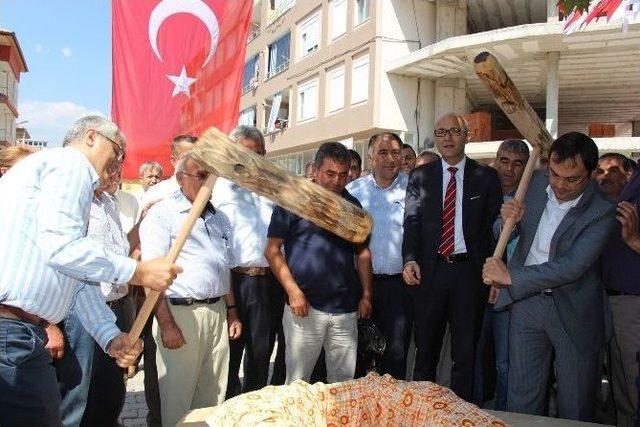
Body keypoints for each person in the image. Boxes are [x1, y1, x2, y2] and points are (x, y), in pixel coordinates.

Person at [0, 115, 180, 426]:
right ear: (91, 137)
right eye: (118, 150)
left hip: (22, 334)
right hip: (12, 332)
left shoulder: (62, 175)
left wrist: (111, 338)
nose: (118, 161)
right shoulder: (71, 165)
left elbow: (78, 280)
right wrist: (138, 272)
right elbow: (64, 247)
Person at [483, 132, 616, 421]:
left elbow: (571, 267)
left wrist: (511, 277)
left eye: (572, 179)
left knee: (576, 402)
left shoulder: (603, 210)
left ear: (591, 174)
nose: (559, 185)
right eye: (555, 174)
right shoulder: (533, 181)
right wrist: (509, 222)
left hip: (574, 309)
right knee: (522, 396)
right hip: (527, 306)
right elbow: (501, 231)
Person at [403, 112, 502, 401]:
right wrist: (410, 259)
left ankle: (461, 415)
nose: (447, 138)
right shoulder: (420, 176)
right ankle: (423, 411)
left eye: (454, 131)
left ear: (467, 135)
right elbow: (412, 222)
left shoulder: (486, 177)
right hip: (430, 274)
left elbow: (494, 231)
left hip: (469, 276)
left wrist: (495, 276)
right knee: (426, 352)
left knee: (465, 354)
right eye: (441, 132)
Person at [140, 154, 241, 427]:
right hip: (180, 314)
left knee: (213, 393)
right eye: (200, 174)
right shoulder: (162, 214)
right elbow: (152, 275)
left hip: (217, 312)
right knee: (177, 398)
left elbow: (224, 268)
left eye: (210, 175)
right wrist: (167, 323)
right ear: (180, 178)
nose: (207, 180)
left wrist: (231, 311)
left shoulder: (220, 218)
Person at [265, 142, 373, 384]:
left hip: (345, 310)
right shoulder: (293, 198)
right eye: (330, 173)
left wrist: (366, 295)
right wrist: (293, 292)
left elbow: (363, 253)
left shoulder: (353, 206)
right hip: (304, 308)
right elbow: (272, 251)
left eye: (343, 174)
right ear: (314, 170)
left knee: (343, 385)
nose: (337, 181)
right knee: (297, 384)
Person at [55, 158, 136, 426]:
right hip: (82, 313)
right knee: (78, 396)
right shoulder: (74, 205)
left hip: (116, 309)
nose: (116, 172)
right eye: (111, 163)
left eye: (119, 165)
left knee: (111, 391)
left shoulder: (110, 204)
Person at [212, 125, 285, 397]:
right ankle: (226, 409)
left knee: (260, 354)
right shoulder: (217, 188)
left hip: (268, 283)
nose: (252, 159)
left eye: (258, 153)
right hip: (232, 283)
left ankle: (254, 408)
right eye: (245, 153)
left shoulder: (276, 190)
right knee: (228, 356)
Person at [138, 134, 197, 427]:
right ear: (174, 162)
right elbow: (143, 254)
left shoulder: (210, 194)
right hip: (165, 301)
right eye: (187, 156)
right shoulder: (157, 197)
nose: (195, 161)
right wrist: (166, 319)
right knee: (162, 376)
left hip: (204, 303)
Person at [347, 132, 412, 380]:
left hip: (399, 286)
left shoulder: (413, 188)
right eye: (383, 153)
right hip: (360, 283)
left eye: (395, 153)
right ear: (371, 157)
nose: (390, 158)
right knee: (357, 353)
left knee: (395, 355)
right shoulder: (354, 191)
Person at [474, 139, 529, 410]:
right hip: (479, 287)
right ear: (495, 160)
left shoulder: (534, 198)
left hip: (515, 291)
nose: (509, 169)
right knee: (473, 356)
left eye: (518, 163)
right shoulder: (480, 191)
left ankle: (506, 415)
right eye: (504, 160)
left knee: (506, 362)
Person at [601, 165, 640, 426]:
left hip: (634, 303)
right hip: (615, 301)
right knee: (623, 390)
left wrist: (635, 240)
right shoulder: (634, 181)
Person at [140, 135, 197, 207]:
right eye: (187, 158)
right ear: (174, 161)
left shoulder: (209, 191)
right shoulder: (155, 194)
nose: (194, 163)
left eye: (198, 157)